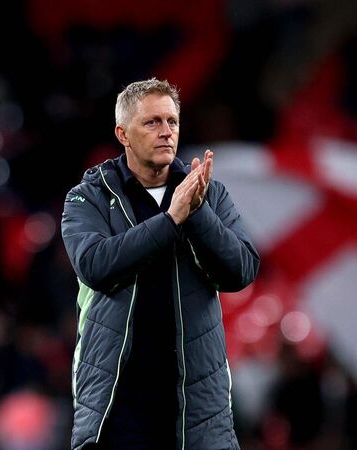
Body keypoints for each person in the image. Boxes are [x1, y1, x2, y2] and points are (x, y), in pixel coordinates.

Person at [61, 78, 259, 450]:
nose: (166, 132)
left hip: (198, 406)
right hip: (116, 405)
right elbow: (94, 265)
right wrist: (170, 220)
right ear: (123, 134)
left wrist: (197, 213)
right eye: (152, 122)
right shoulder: (90, 197)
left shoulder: (209, 194)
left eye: (172, 122)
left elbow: (241, 271)